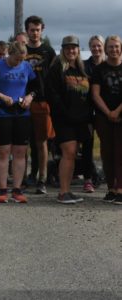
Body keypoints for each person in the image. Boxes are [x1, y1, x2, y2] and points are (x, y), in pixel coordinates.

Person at [0, 41, 36, 204]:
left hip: (21, 112)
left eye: (22, 59)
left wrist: (30, 97)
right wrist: (0, 95)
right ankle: (2, 189)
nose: (18, 63)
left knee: (20, 151)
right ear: (10, 54)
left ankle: (17, 189)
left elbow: (35, 86)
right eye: (16, 59)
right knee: (3, 151)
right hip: (1, 112)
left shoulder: (26, 67)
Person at [47, 35, 90, 204]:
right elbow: (52, 95)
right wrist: (65, 113)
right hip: (64, 119)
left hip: (81, 119)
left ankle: (67, 190)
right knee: (69, 153)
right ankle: (63, 192)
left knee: (72, 155)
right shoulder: (57, 68)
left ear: (78, 49)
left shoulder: (82, 69)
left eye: (74, 47)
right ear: (63, 50)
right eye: (67, 48)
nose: (71, 50)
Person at [23, 15, 56, 194]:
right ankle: (28, 175)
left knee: (41, 142)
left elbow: (53, 78)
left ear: (42, 30)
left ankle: (42, 178)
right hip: (23, 102)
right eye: (31, 30)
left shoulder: (48, 51)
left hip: (42, 101)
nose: (34, 33)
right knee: (24, 143)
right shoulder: (22, 50)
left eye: (37, 29)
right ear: (27, 31)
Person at [91, 35, 122, 204]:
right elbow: (95, 94)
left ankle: (120, 188)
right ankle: (111, 188)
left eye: (116, 46)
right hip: (103, 118)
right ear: (106, 49)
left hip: (121, 116)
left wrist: (117, 111)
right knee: (107, 153)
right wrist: (108, 112)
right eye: (110, 47)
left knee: (120, 153)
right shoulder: (100, 69)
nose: (114, 50)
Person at [81, 35, 106, 193]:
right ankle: (88, 179)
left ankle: (108, 175)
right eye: (93, 46)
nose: (96, 49)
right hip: (88, 111)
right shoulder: (84, 66)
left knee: (109, 145)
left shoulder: (111, 64)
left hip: (106, 111)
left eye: (99, 46)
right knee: (87, 146)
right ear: (90, 47)